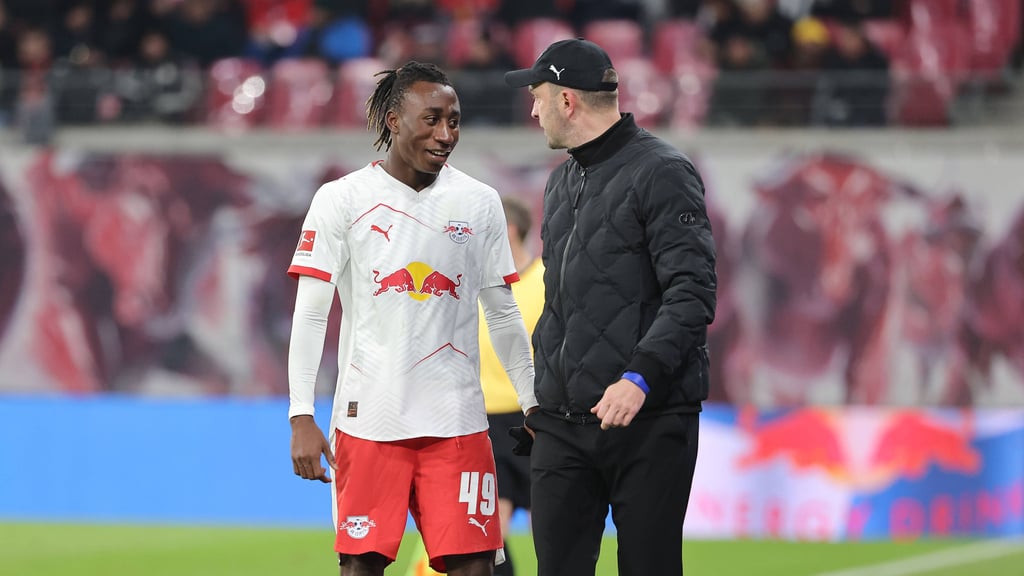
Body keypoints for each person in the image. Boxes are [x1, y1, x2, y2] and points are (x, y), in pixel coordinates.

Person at [287, 60, 538, 576]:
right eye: (431, 119)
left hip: (459, 423)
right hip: (369, 421)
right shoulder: (341, 199)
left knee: (475, 567)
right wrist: (300, 415)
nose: (446, 134)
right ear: (394, 121)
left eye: (454, 120)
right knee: (362, 567)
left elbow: (504, 314)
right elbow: (312, 315)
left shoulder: (480, 203)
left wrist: (532, 400)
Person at [504, 39, 717, 576]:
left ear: (567, 101)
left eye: (537, 98)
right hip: (560, 424)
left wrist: (639, 378)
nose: (532, 111)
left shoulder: (664, 171)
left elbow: (692, 292)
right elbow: (562, 304)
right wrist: (541, 399)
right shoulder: (558, 182)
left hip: (647, 417)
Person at [409, 195, 544, 576]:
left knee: (549, 527)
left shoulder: (546, 280)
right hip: (483, 422)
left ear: (510, 230)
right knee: (490, 531)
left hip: (535, 416)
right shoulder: (472, 282)